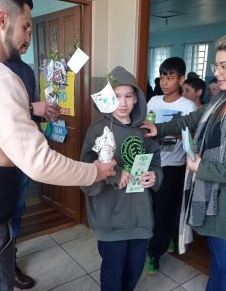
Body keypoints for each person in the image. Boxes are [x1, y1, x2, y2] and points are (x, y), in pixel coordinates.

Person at [0, 0, 116, 291]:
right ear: (2, 20)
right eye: (26, 26)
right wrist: (96, 171)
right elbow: (40, 163)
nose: (29, 33)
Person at [141, 33, 226, 291]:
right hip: (216, 201)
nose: (218, 73)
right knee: (221, 263)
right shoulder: (223, 100)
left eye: (225, 66)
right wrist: (158, 129)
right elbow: (189, 121)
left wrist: (203, 168)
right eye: (216, 66)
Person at [80, 66, 163, 291]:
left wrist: (155, 176)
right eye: (116, 97)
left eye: (128, 96)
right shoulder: (98, 130)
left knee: (133, 272)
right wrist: (113, 175)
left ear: (137, 98)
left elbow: (155, 161)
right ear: (107, 98)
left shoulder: (144, 130)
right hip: (111, 218)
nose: (123, 103)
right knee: (112, 275)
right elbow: (85, 172)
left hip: (140, 216)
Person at [5, 27, 61, 288]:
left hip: (23, 155)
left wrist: (43, 113)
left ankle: (9, 262)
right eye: (24, 28)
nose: (28, 37)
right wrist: (30, 107)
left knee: (17, 209)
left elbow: (27, 114)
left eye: (30, 29)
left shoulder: (27, 71)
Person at [145, 57, 196, 275]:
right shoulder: (153, 102)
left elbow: (191, 135)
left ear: (181, 79)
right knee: (150, 209)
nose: (165, 82)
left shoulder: (188, 106)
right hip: (152, 163)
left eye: (170, 77)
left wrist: (168, 131)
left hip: (174, 166)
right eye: (162, 77)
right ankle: (163, 240)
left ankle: (154, 254)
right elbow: (145, 129)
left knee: (164, 211)